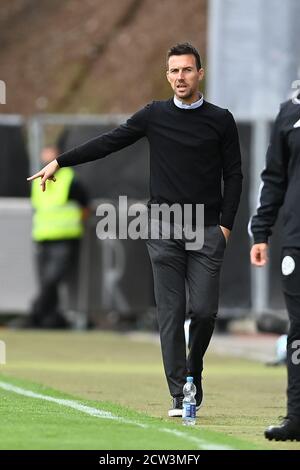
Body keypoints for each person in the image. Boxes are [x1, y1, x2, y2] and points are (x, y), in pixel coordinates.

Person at [27, 43, 242, 415]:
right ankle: (180, 392)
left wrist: (225, 225)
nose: (180, 77)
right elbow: (110, 142)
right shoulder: (154, 115)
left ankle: (195, 370)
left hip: (205, 226)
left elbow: (234, 174)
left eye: (187, 70)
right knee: (172, 312)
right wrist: (61, 161)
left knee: (204, 312)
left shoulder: (220, 119)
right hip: (162, 227)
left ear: (200, 74)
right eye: (174, 71)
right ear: (167, 75)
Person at [250, 95, 300, 441]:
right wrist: (261, 230)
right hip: (297, 239)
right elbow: (275, 176)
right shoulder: (291, 111)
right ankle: (297, 416)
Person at [28, 145, 90, 328]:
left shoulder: (70, 180)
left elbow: (85, 206)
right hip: (42, 237)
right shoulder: (36, 180)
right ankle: (49, 320)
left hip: (64, 238)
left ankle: (35, 313)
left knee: (51, 279)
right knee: (47, 283)